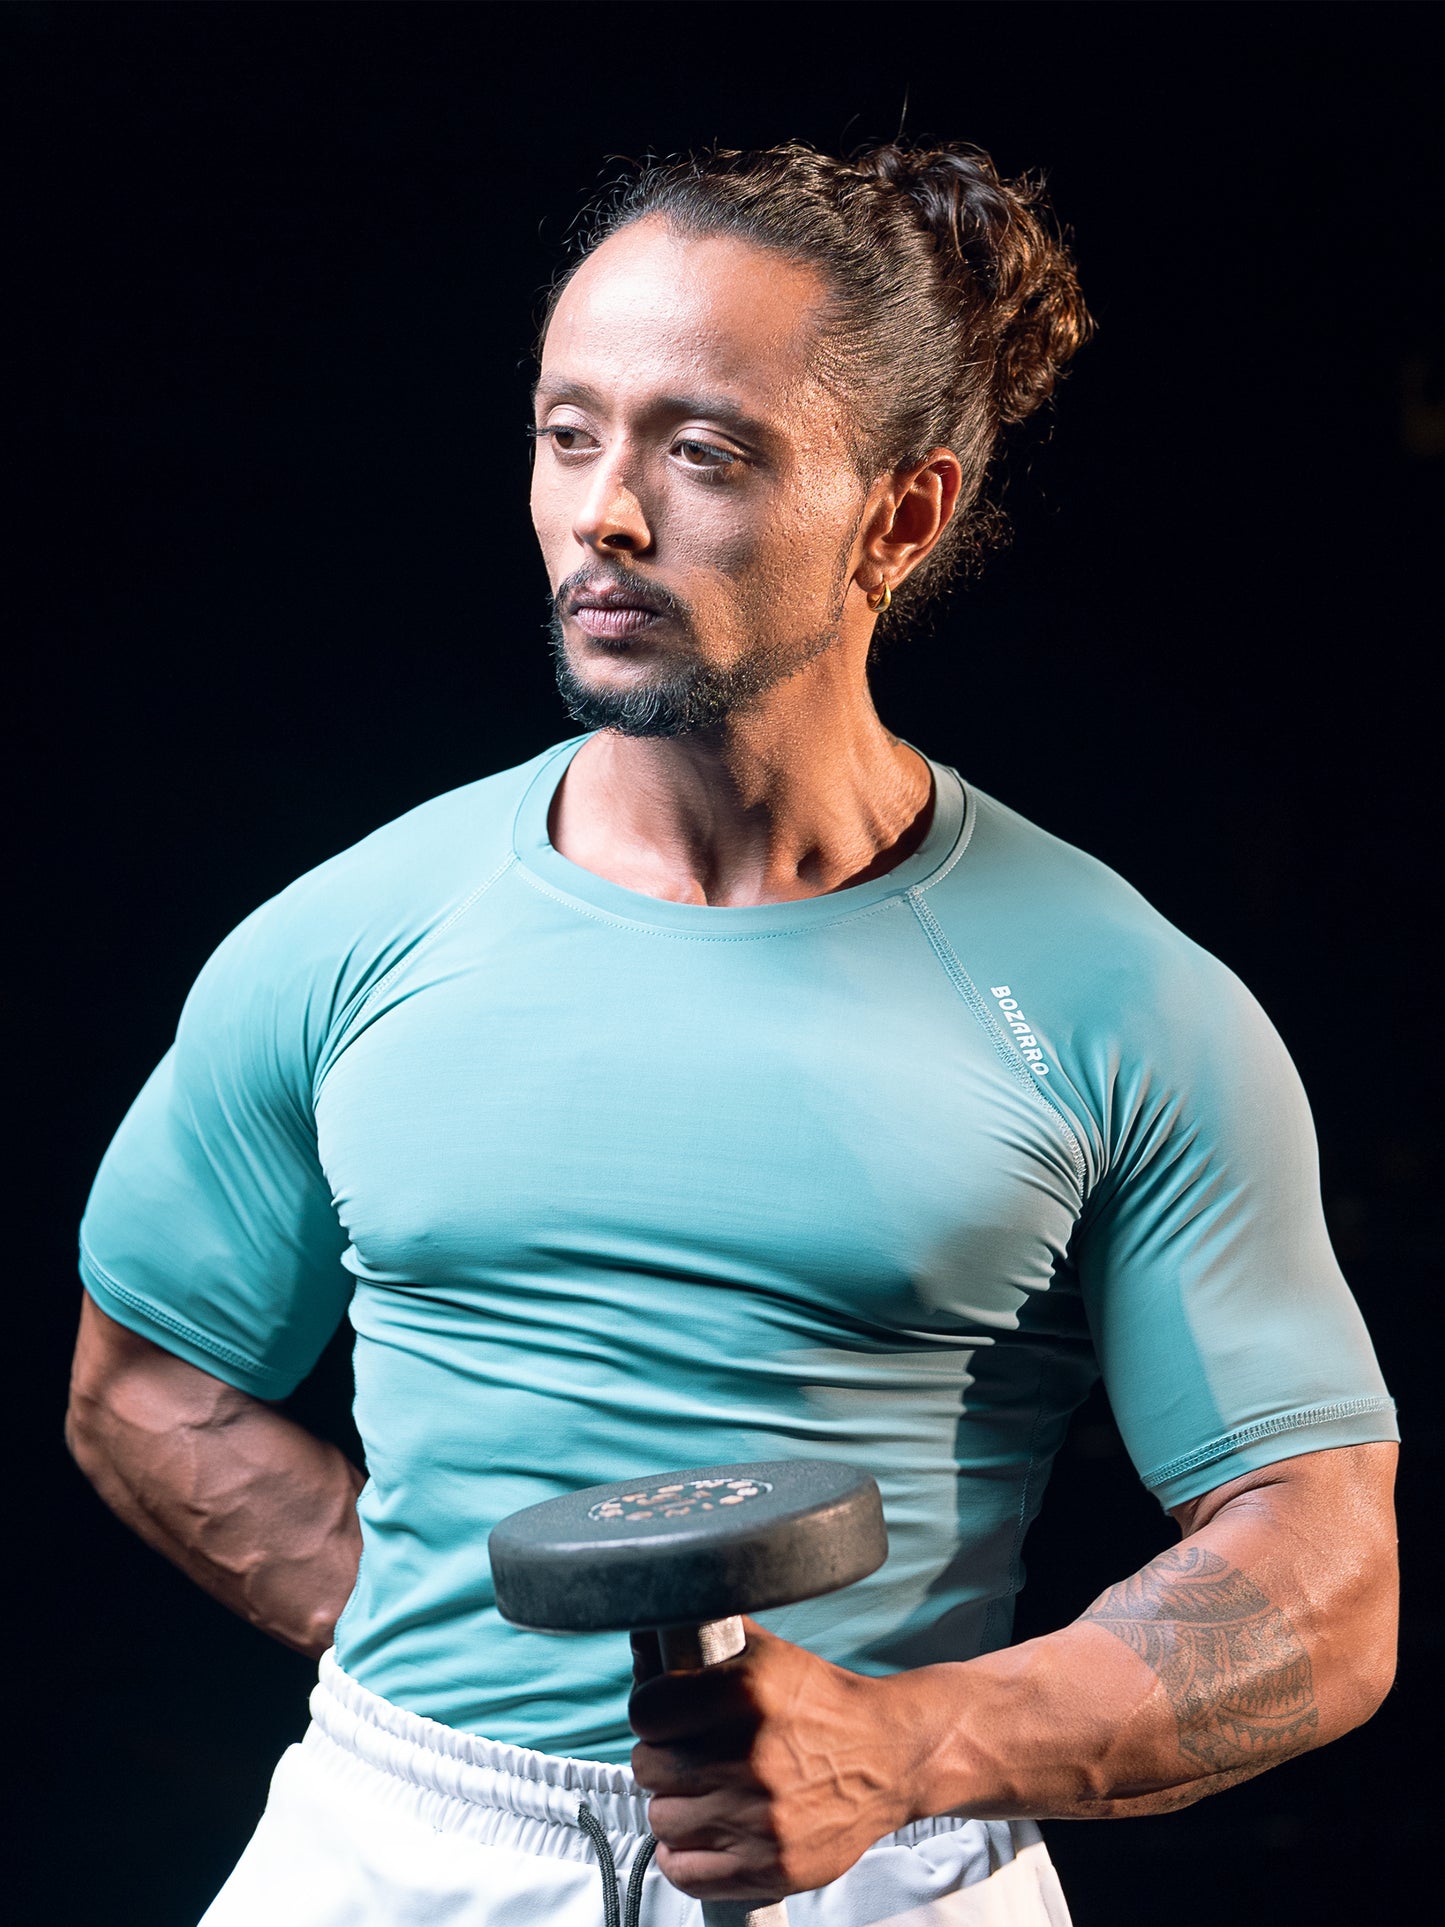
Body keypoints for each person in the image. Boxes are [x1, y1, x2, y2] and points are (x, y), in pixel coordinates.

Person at [67, 140, 1399, 1927]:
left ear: (899, 518)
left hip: (886, 1855)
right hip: (400, 1838)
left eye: (701, 452)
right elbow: (147, 1385)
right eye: (567, 434)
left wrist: (904, 1748)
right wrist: (452, 1657)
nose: (604, 514)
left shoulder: (1119, 1000)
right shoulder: (348, 935)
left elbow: (1323, 1576)